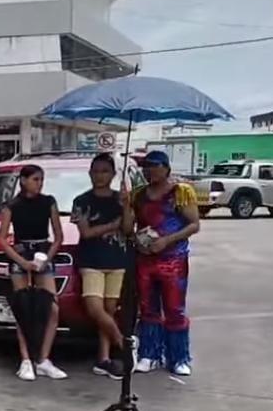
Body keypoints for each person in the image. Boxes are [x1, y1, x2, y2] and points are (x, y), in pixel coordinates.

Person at [127, 150, 200, 376]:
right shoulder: (138, 195)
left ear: (166, 168)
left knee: (174, 309)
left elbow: (194, 224)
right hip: (145, 260)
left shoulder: (181, 192)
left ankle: (178, 357)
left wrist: (168, 240)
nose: (150, 170)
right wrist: (125, 205)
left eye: (155, 165)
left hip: (173, 259)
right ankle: (149, 354)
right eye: (146, 166)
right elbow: (129, 228)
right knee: (148, 309)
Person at [0, 164, 69, 381]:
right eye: (35, 179)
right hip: (21, 254)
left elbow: (58, 236)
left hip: (42, 253)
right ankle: (26, 359)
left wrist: (47, 257)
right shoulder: (12, 205)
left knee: (52, 308)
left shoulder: (48, 202)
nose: (39, 184)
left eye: (41, 179)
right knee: (23, 309)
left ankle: (43, 359)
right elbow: (2, 238)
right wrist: (21, 261)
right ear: (24, 180)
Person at [70, 153, 132, 379]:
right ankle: (123, 344)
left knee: (109, 310)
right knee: (94, 308)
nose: (99, 176)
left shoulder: (120, 199)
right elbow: (86, 233)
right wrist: (112, 224)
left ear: (113, 174)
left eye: (105, 171)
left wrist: (126, 207)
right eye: (96, 171)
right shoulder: (82, 201)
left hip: (117, 260)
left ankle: (104, 358)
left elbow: (127, 229)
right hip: (91, 260)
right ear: (89, 173)